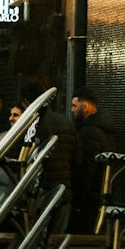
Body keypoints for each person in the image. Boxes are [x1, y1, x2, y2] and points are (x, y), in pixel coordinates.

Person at [18, 81, 83, 232]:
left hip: (39, 193)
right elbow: (77, 158)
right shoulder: (65, 122)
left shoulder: (32, 125)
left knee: (34, 238)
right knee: (54, 241)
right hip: (63, 192)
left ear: (26, 102)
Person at [70, 86, 116, 229]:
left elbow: (86, 167)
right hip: (103, 193)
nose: (72, 110)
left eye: (74, 106)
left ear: (85, 107)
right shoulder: (105, 130)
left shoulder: (89, 132)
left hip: (89, 198)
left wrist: (79, 197)